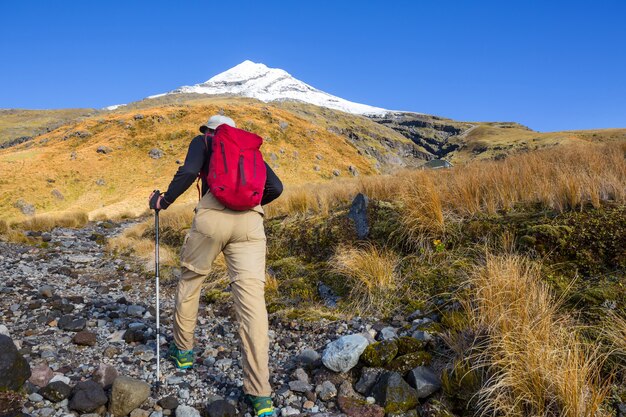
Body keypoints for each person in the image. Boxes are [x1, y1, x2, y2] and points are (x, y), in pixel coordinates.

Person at [148, 115, 283, 417]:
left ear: (210, 130)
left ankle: (183, 353)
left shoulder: (205, 141)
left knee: (191, 281)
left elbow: (189, 172)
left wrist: (163, 201)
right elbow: (276, 186)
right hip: (251, 223)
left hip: (211, 218)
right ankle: (260, 395)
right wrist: (249, 204)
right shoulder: (249, 149)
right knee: (252, 303)